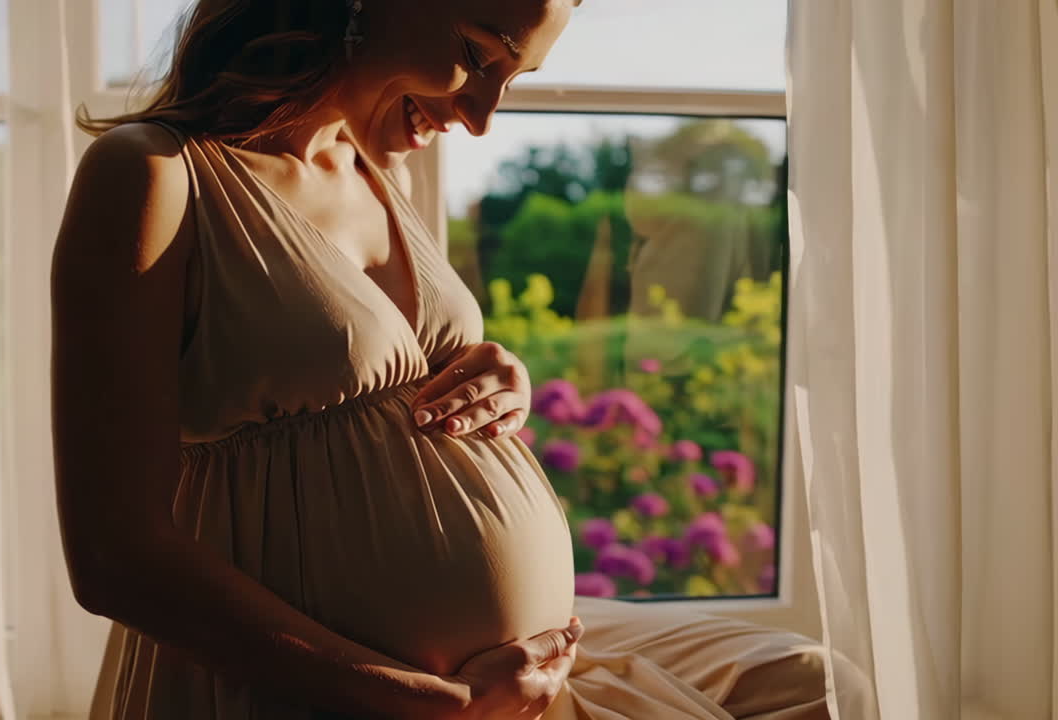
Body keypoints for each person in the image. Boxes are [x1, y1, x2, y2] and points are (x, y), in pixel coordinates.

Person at [50, 1, 838, 717]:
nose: (484, 115)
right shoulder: (151, 174)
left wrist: (503, 376)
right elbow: (116, 558)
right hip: (370, 687)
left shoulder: (378, 172)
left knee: (813, 682)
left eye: (514, 76)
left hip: (517, 669)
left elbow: (373, 373)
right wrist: (432, 701)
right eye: (476, 53)